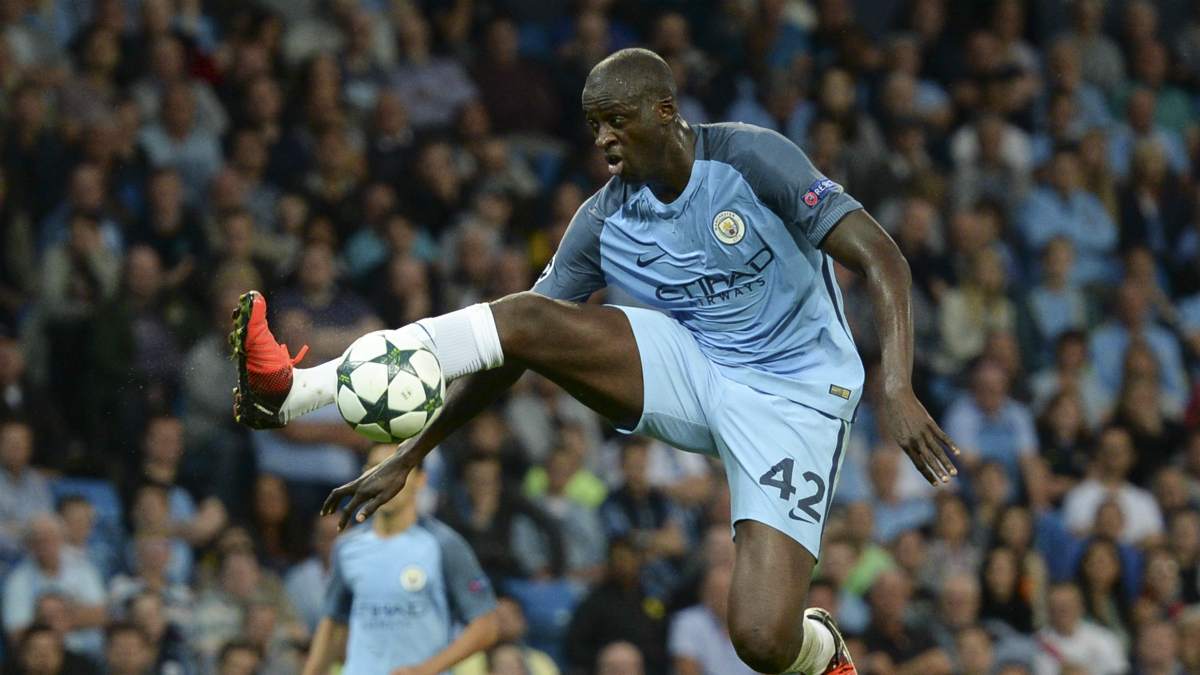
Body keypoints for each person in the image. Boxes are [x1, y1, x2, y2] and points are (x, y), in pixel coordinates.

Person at [233, 48, 961, 675]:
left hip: (798, 392)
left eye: (618, 120)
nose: (605, 140)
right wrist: (412, 454)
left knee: (762, 640)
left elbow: (881, 255)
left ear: (665, 110)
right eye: (593, 126)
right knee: (525, 313)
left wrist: (896, 384)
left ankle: (820, 646)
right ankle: (293, 390)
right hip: (697, 362)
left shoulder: (750, 158)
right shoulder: (605, 218)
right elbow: (510, 349)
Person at [299, 444, 500, 675]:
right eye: (376, 469)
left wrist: (424, 670)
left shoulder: (443, 544)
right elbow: (333, 623)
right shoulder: (347, 548)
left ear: (421, 479)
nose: (385, 480)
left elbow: (487, 626)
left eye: (398, 469)